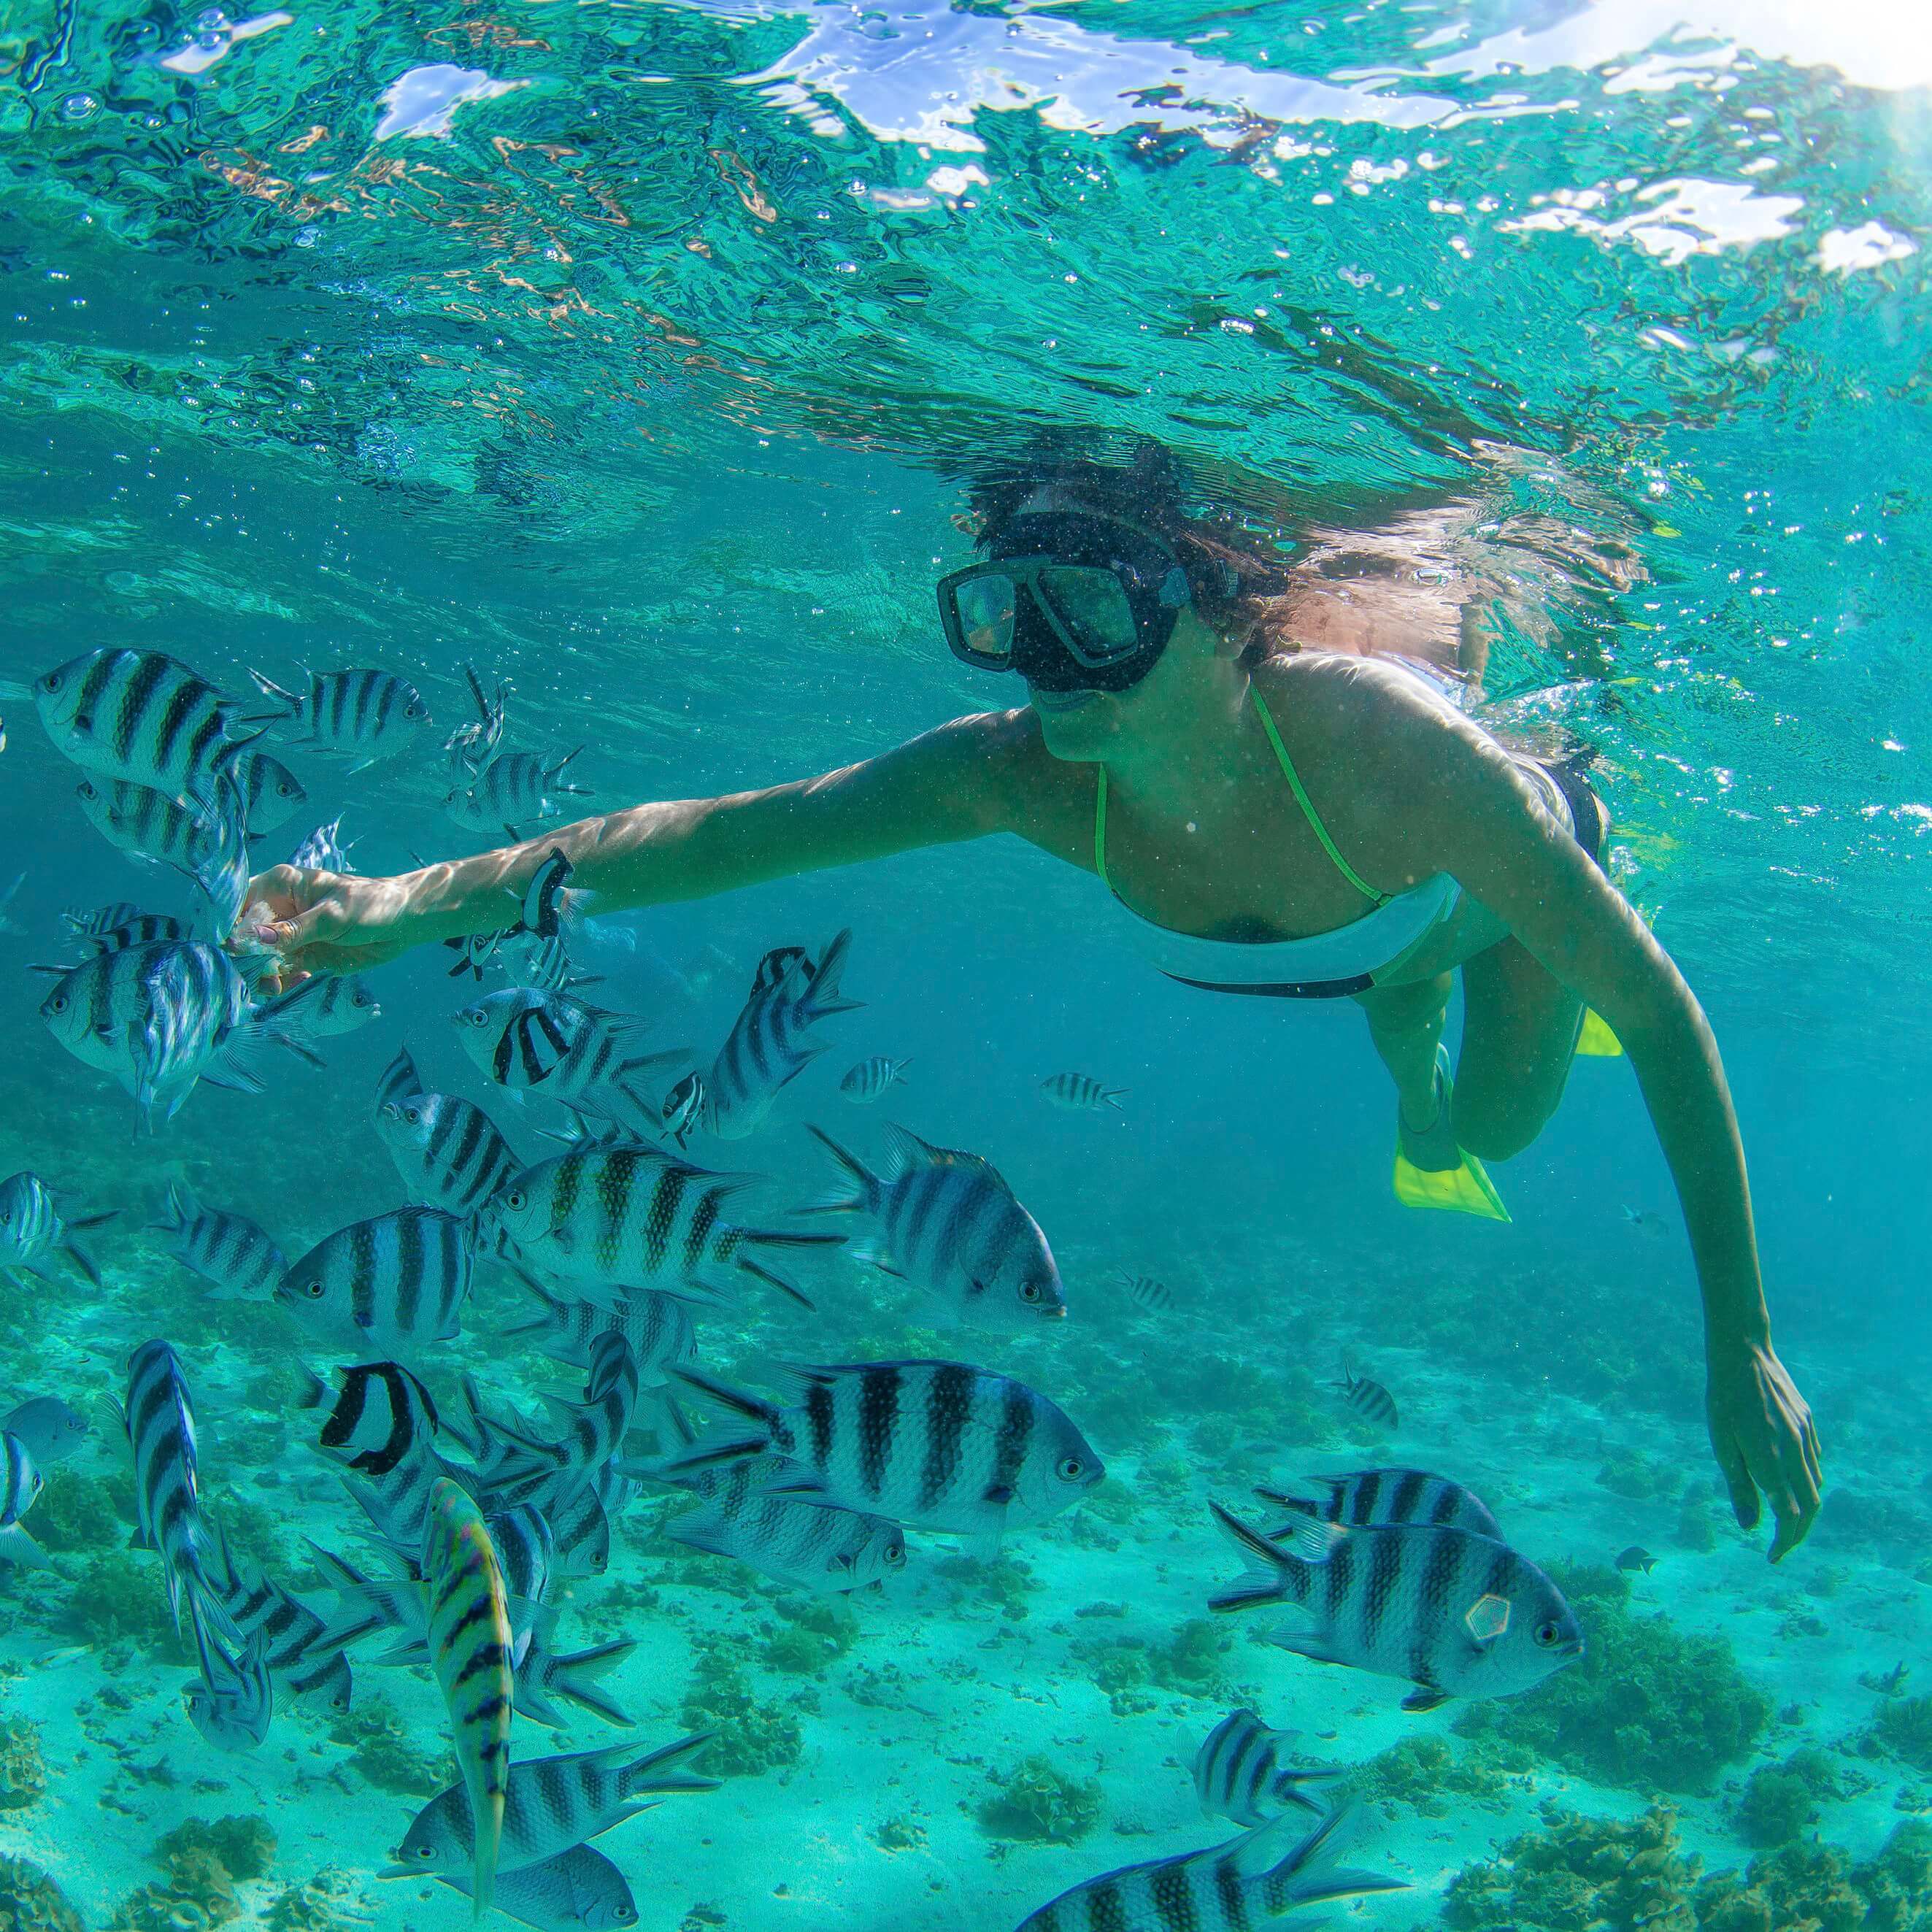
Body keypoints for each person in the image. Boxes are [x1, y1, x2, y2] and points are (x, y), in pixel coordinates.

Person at [242, 444, 1821, 1560]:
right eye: (1012, 614)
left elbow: (1662, 1018)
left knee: (1495, 1127)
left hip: (1487, 889)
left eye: (1097, 613)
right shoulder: (1018, 775)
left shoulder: (1390, 750)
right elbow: (716, 837)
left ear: (1221, 612)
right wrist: (406, 902)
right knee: (1401, 1017)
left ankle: (1432, 1007)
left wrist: (1740, 1340)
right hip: (1357, 929)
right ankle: (1399, 1013)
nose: (1050, 667)